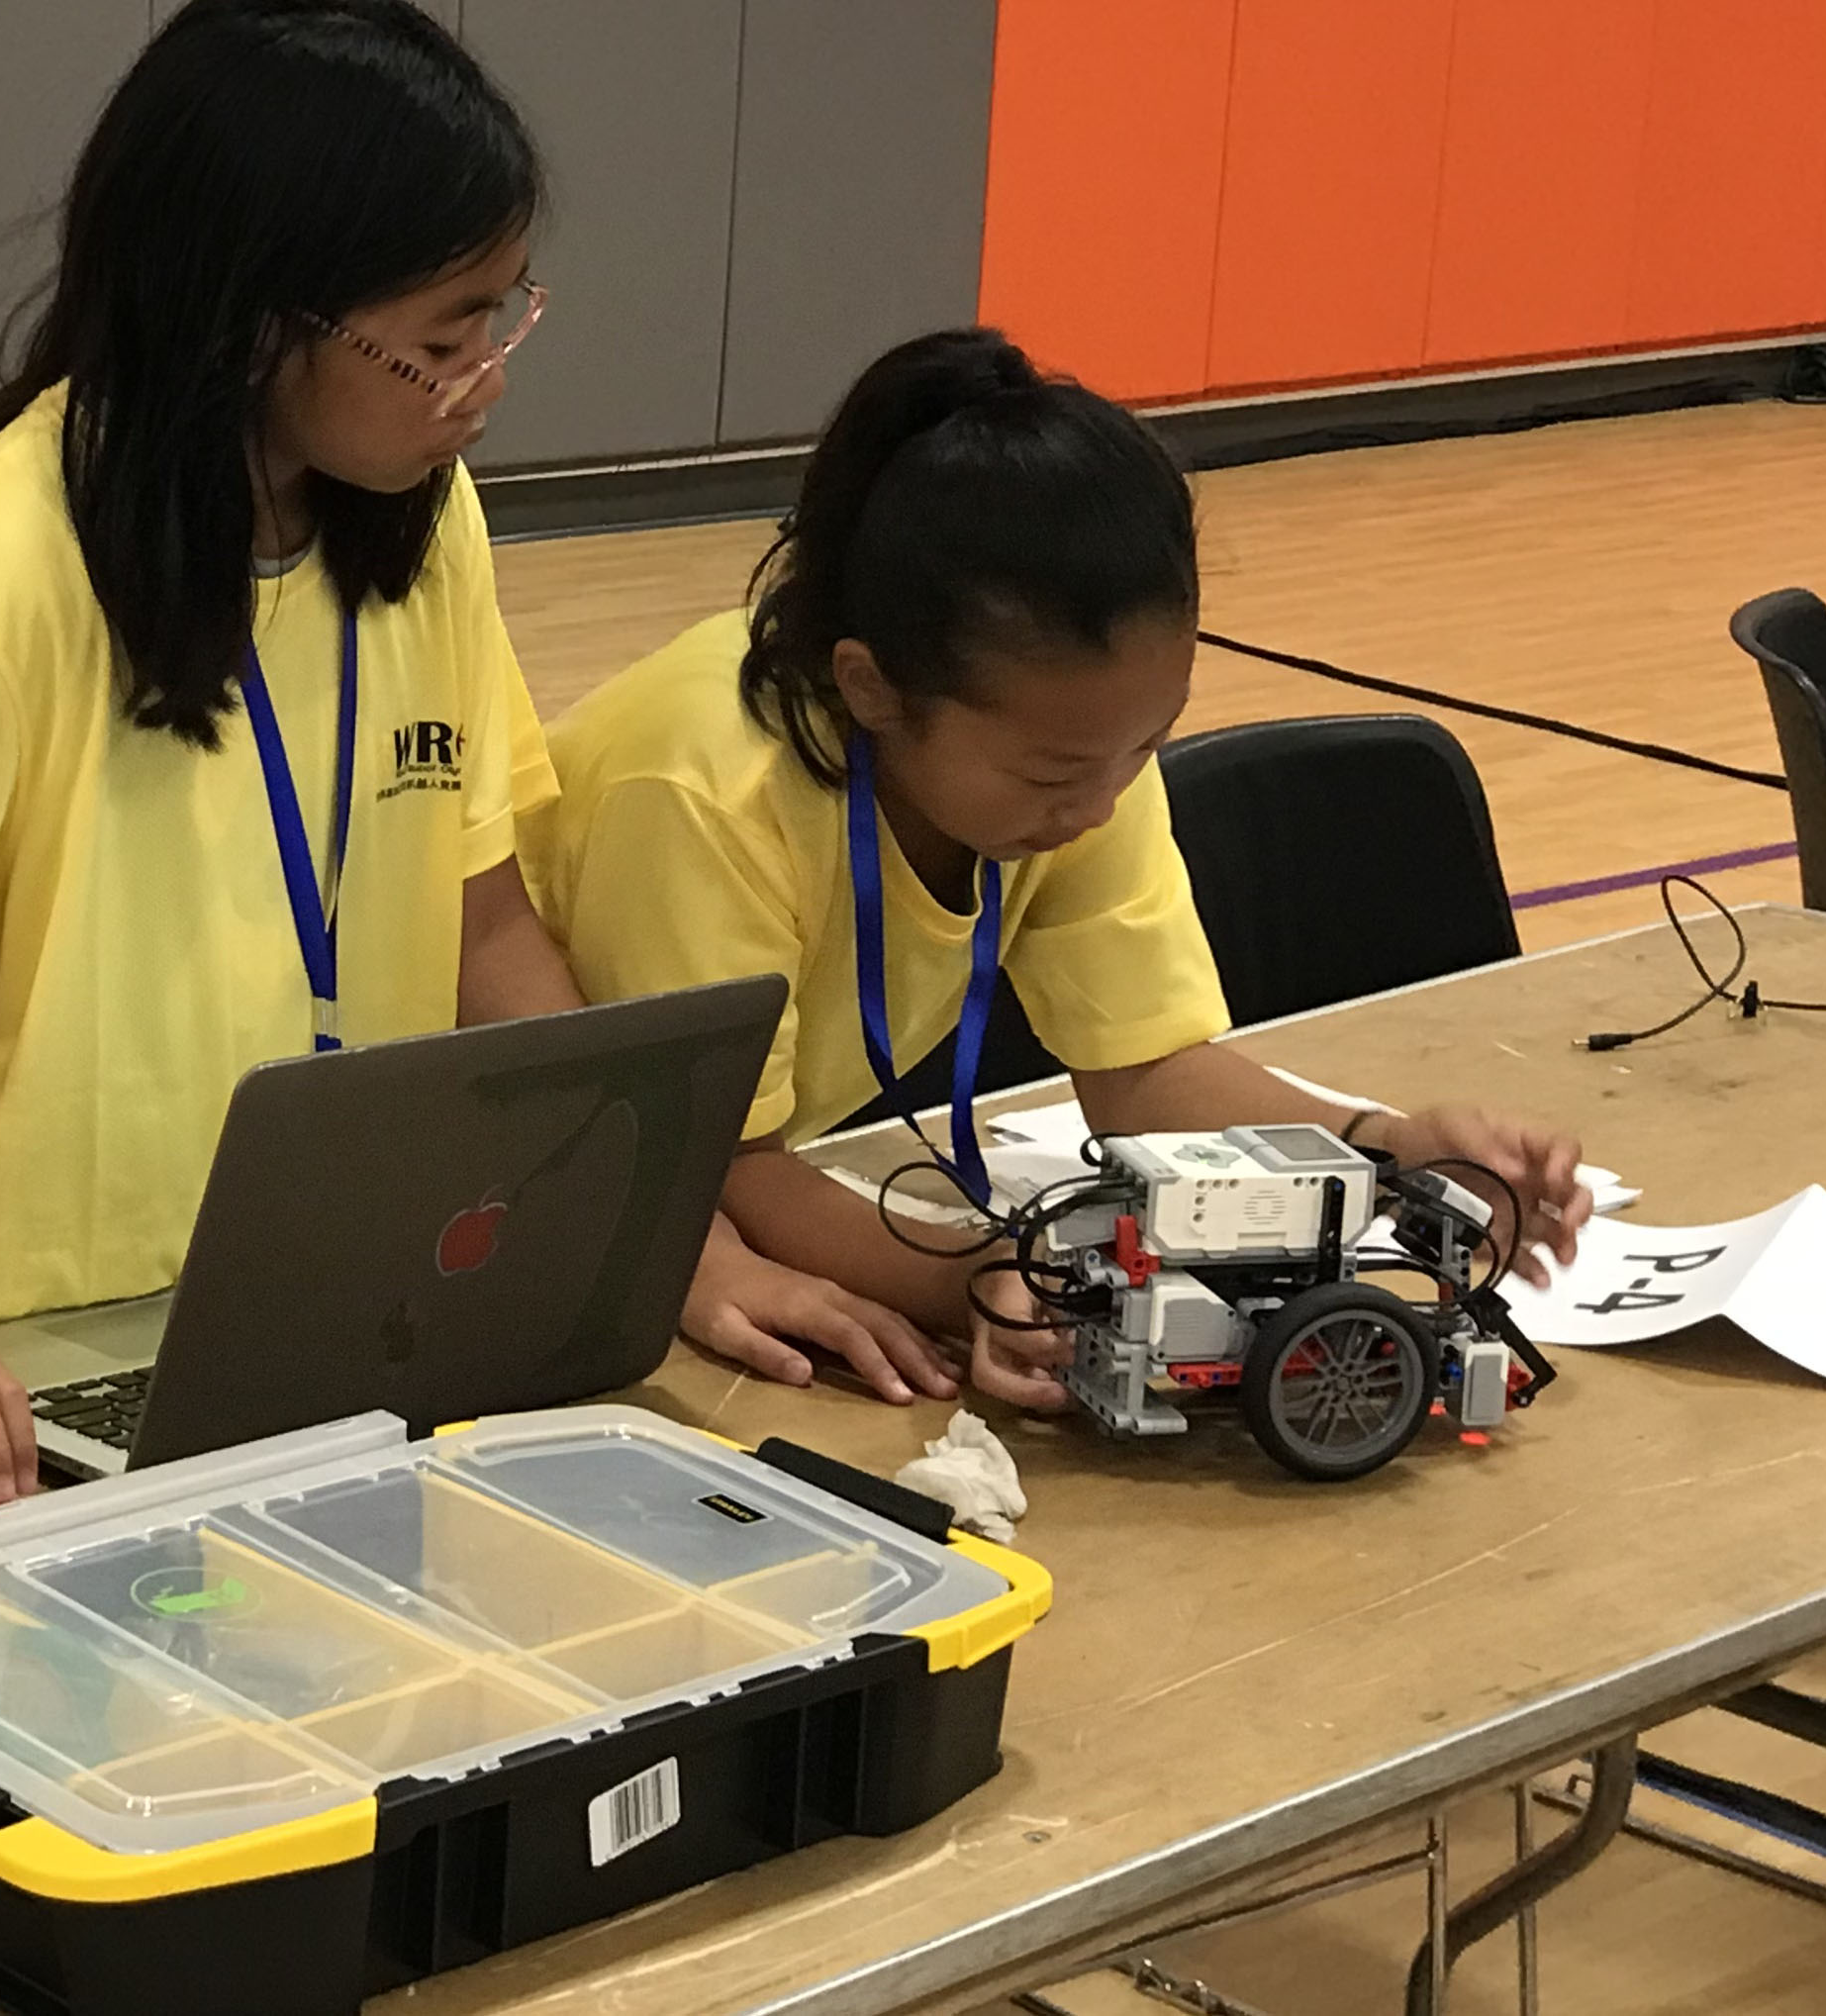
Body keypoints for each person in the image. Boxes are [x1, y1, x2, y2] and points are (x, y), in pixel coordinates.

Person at [0, 0, 585, 1513]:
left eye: (500, 318)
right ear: (258, 320)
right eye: (441, 341)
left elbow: (483, 920)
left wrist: (630, 1234)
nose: (482, 384)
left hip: (321, 1334)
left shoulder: (427, 525)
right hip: (26, 1386)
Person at [521, 329, 1592, 1411]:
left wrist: (1383, 1151)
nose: (1098, 808)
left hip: (670, 1169)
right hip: (528, 1179)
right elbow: (718, 1161)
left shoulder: (1082, 756)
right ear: (872, 689)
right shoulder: (701, 787)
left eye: (1144, 745)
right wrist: (984, 1280)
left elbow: (1143, 1070)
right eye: (1054, 774)